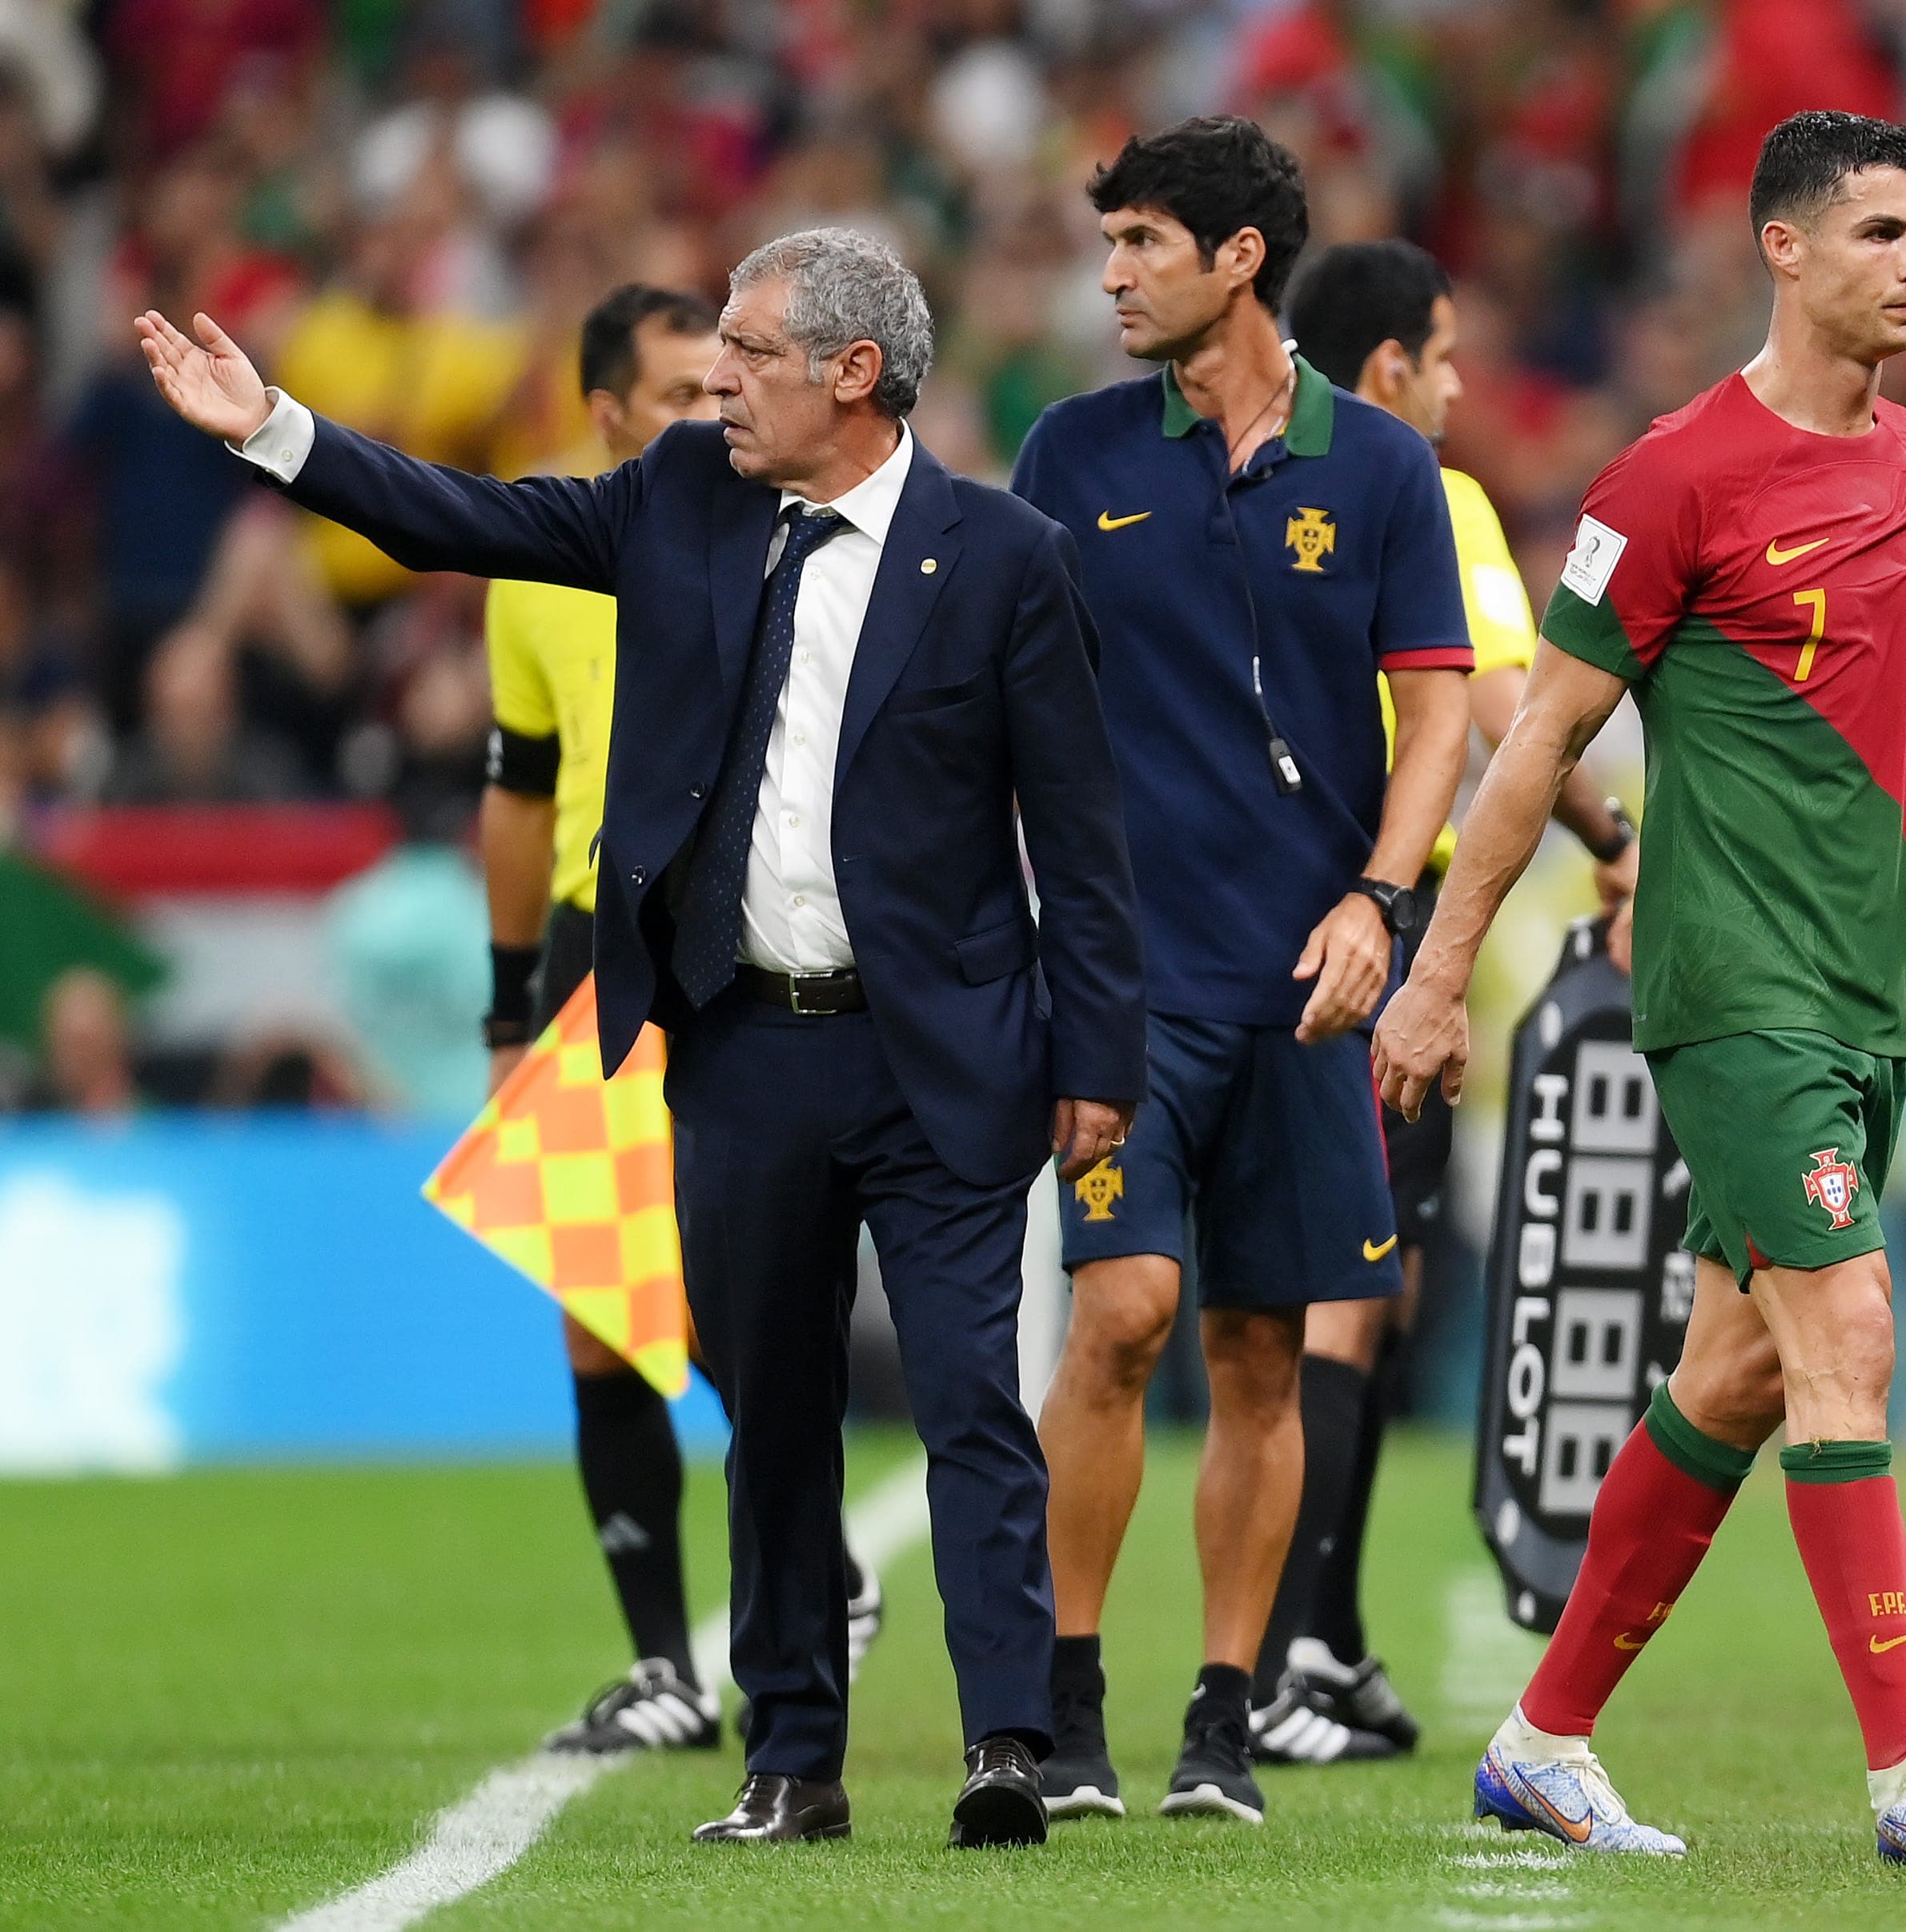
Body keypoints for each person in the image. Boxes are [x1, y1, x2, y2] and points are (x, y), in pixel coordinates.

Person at [134, 223, 1150, 1850]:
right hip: (746, 1046)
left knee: (971, 1397)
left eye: (747, 355)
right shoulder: (678, 496)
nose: (715, 384)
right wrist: (273, 428)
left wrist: (1101, 1065)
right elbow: (458, 520)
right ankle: (791, 1759)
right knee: (769, 1419)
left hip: (946, 1050)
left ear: (853, 373)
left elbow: (1080, 837)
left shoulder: (1008, 556)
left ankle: (1007, 1745)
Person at [1375, 110, 1906, 1863]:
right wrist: (1436, 978)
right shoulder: (1669, 479)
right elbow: (1537, 749)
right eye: (1881, 231)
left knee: (1733, 1370)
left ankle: (1543, 1737)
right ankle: (1905, 1779)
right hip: (1732, 987)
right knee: (1853, 1332)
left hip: (1875, 995)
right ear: (1782, 248)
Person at [1010, 118, 1472, 1826]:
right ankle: (1067, 1710)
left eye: (1140, 241)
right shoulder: (1067, 454)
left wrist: (1377, 900)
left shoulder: (1381, 472)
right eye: (1109, 241)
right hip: (1124, 989)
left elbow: (1434, 711)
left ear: (1240, 260)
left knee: (1263, 1347)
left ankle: (1224, 1708)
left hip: (1310, 983)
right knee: (1122, 1315)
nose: (1112, 272)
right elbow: (1007, 703)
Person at [474, 283, 890, 1756]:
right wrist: (506, 994)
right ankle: (664, 1666)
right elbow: (518, 793)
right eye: (673, 391)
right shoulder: (549, 564)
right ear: (604, 412)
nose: (710, 407)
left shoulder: (765, 528)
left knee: (727, 1298)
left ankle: (812, 1554)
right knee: (598, 1319)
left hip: (726, 948)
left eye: (720, 379)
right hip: (598, 964)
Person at [1244, 237, 1641, 1766]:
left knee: (1328, 1298)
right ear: (1391, 367)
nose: (1464, 386)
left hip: (1235, 926)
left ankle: (1322, 1641)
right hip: (1366, 932)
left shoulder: (1246, 478)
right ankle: (1286, 1662)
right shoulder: (1423, 490)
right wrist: (1615, 838)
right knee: (1346, 1302)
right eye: (1449, 355)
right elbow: (1499, 711)